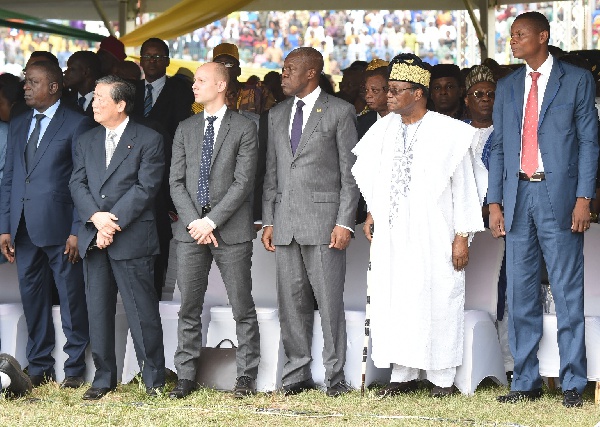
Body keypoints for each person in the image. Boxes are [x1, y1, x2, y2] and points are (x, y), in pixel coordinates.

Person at [351, 53, 484, 398]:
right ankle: (402, 373)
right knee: (396, 298)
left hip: (436, 233)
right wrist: (373, 212)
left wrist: (462, 236)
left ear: (418, 93)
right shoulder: (384, 130)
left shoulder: (451, 133)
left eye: (396, 90)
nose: (389, 96)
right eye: (389, 89)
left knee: (438, 298)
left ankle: (441, 378)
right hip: (394, 233)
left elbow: (466, 187)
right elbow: (375, 177)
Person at [488, 11, 599, 408]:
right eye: (512, 35)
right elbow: (499, 147)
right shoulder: (509, 85)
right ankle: (526, 381)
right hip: (518, 196)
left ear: (543, 36)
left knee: (568, 290)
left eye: (520, 35)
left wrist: (584, 198)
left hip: (561, 197)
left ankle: (572, 381)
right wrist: (494, 202)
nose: (513, 41)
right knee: (520, 292)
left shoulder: (578, 79)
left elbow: (590, 143)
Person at [261, 47, 359, 398]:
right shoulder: (276, 114)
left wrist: (345, 223)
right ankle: (296, 374)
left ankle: (335, 378)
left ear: (311, 73)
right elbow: (272, 173)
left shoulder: (340, 111)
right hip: (284, 222)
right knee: (291, 304)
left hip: (324, 224)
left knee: (330, 304)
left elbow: (351, 175)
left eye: (289, 70)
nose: (282, 75)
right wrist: (268, 219)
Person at [69, 75, 166, 400]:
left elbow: (146, 188)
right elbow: (77, 184)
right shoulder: (86, 140)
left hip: (132, 238)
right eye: (94, 98)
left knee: (142, 312)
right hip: (95, 238)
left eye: (100, 98)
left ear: (121, 104)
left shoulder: (149, 139)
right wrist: (96, 220)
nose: (93, 103)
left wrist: (111, 224)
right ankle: (103, 378)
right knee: (98, 311)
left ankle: (153, 380)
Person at [168, 62, 260, 399]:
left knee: (242, 306)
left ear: (221, 85)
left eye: (201, 80)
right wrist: (196, 221)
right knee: (188, 307)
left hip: (230, 230)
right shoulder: (185, 127)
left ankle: (246, 375)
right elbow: (175, 181)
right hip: (191, 231)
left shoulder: (245, 127)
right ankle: (186, 374)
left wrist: (211, 221)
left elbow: (243, 182)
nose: (195, 85)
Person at [0, 61, 93, 388]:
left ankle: (75, 368)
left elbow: (82, 181)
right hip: (22, 228)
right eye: (26, 81)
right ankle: (38, 366)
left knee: (71, 298)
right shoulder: (19, 121)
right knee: (33, 299)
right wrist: (5, 226)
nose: (25, 87)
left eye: (33, 82)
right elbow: (10, 176)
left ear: (53, 87)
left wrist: (75, 229)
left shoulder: (77, 124)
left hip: (60, 228)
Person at [132, 37, 194, 298]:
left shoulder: (181, 92)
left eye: (158, 57)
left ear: (168, 61)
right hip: (130, 179)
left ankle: (154, 294)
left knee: (158, 238)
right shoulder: (130, 90)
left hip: (164, 179)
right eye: (147, 56)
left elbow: (184, 138)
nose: (152, 62)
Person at [356, 58, 390, 224]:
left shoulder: (406, 122)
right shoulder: (360, 124)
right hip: (363, 206)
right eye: (367, 90)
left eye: (374, 90)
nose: (368, 95)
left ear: (390, 90)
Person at [63, 51, 101, 119]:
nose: (65, 72)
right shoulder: (65, 101)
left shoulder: (104, 102)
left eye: (71, 69)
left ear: (86, 72)